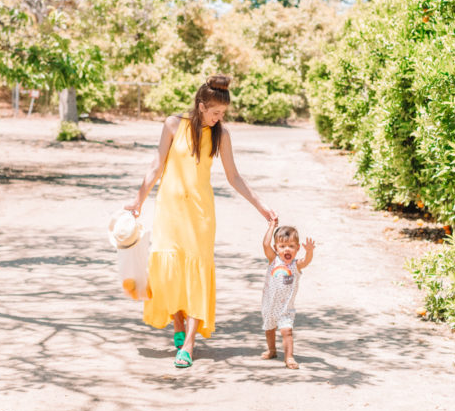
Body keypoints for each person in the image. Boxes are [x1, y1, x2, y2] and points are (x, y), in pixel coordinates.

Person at [125, 74, 277, 368]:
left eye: (223, 114)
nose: (219, 119)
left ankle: (189, 345)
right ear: (201, 105)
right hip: (169, 210)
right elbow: (157, 165)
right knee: (165, 271)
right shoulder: (172, 125)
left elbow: (234, 177)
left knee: (196, 274)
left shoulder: (221, 134)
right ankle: (178, 323)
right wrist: (138, 200)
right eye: (215, 113)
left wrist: (261, 206)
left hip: (200, 214)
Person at [261, 219, 315, 369]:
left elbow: (306, 261)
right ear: (276, 248)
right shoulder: (273, 260)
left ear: (297, 248)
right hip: (269, 304)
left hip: (286, 308)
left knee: (287, 331)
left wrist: (309, 251)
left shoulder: (295, 265)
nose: (287, 250)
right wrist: (272, 227)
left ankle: (289, 357)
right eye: (282, 246)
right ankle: (272, 350)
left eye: (291, 246)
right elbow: (265, 245)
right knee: (269, 328)